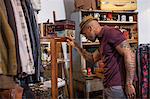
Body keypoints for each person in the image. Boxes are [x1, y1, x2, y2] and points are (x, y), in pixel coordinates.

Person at [67, 16, 136, 99]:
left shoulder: (111, 33)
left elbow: (129, 55)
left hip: (118, 86)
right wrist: (76, 46)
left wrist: (129, 84)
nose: (85, 37)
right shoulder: (103, 39)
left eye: (85, 34)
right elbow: (92, 58)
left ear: (90, 28)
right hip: (110, 86)